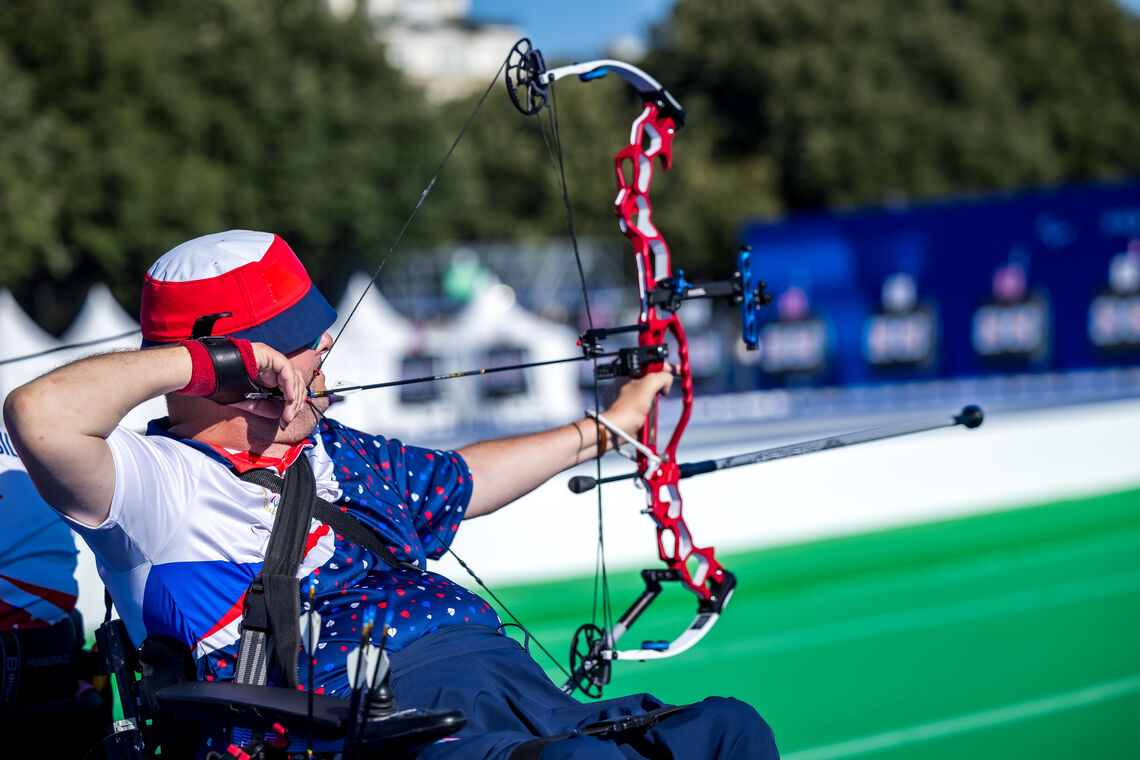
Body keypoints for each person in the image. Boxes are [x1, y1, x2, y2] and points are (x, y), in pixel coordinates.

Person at [4, 230, 778, 759]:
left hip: (505, 692)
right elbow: (40, 417)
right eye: (310, 342)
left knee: (724, 732)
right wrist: (204, 361)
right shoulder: (152, 485)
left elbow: (466, 480)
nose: (328, 358)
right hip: (365, 729)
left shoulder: (339, 452)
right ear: (246, 364)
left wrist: (609, 428)